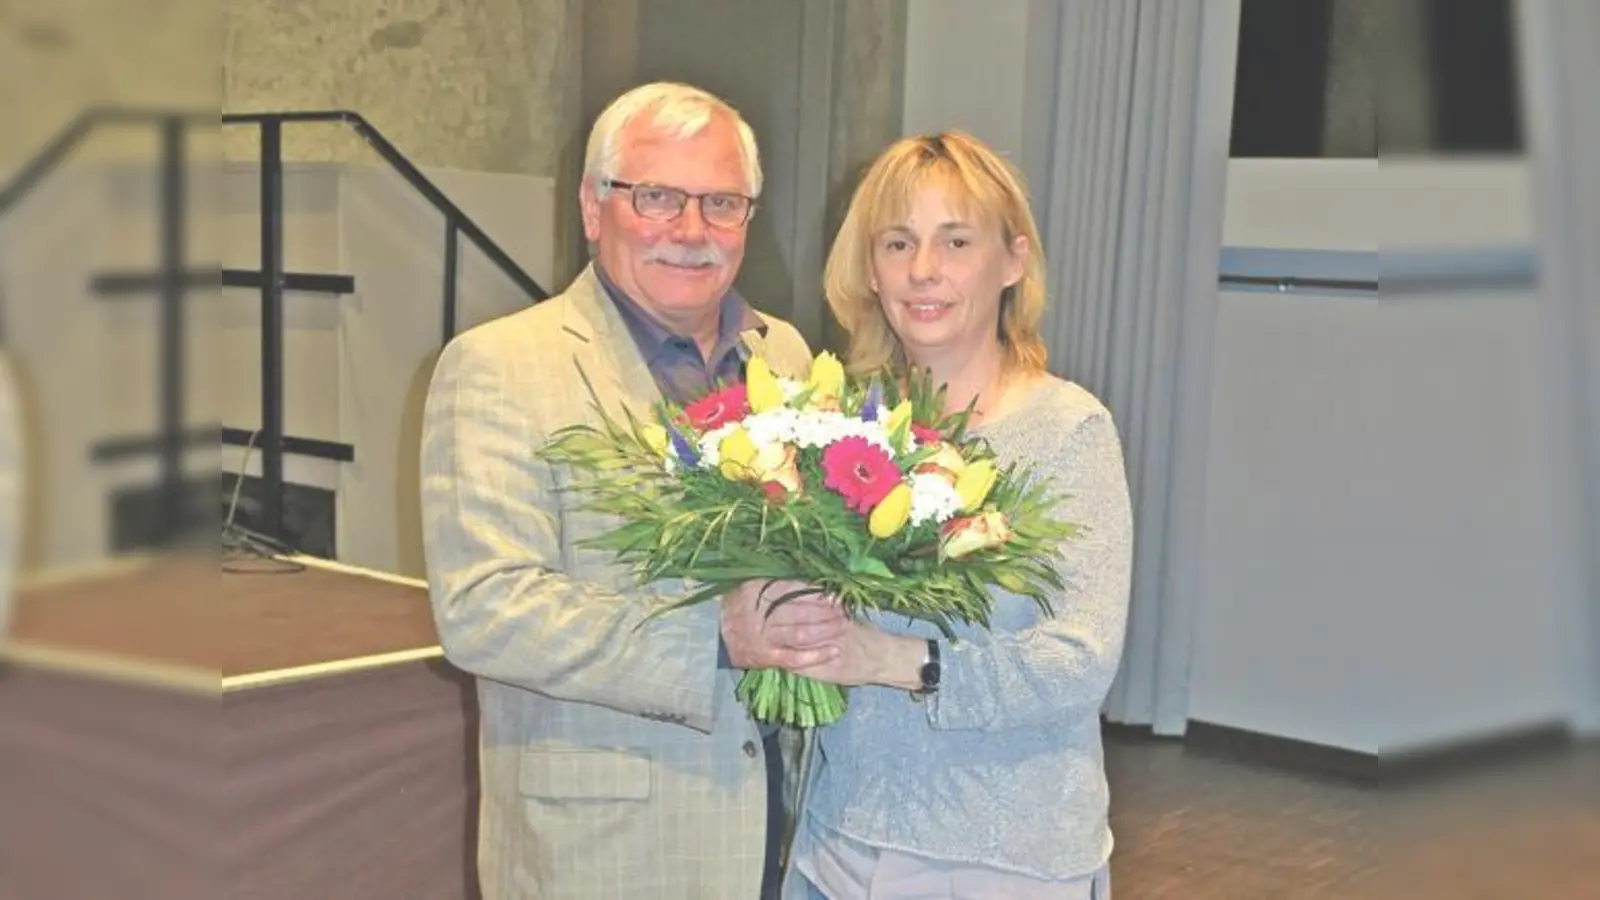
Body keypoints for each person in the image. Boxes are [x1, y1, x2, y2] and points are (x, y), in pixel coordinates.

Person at [420, 82, 847, 900]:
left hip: (779, 833)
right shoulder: (499, 366)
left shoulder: (787, 357)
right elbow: (485, 609)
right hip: (605, 851)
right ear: (593, 207)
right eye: (656, 197)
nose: (691, 230)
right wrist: (716, 638)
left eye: (721, 202)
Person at [782, 132, 1135, 899]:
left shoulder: (1067, 431)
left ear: (1012, 261)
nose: (923, 271)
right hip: (835, 841)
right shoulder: (840, 424)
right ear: (869, 270)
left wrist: (896, 659)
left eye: (956, 241)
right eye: (898, 242)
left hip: (1001, 857)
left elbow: (1080, 659)